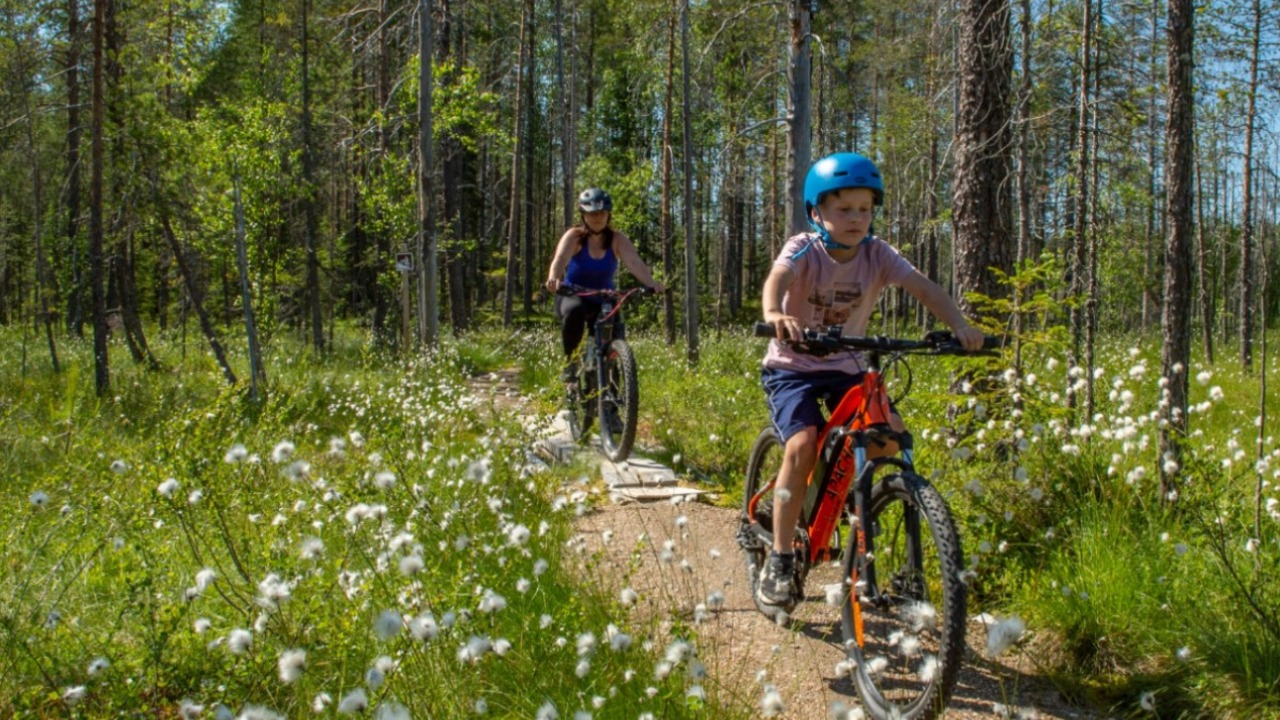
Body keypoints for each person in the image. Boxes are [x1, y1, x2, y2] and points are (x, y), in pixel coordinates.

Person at [756, 152, 984, 608]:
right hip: (793, 368)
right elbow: (778, 277)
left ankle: (860, 503)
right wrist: (775, 313)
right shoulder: (804, 246)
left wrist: (960, 323)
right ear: (817, 212)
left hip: (847, 367)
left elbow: (923, 287)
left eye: (865, 208)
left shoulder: (878, 253)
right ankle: (780, 558)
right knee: (801, 446)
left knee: (889, 438)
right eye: (844, 209)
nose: (857, 218)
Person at [544, 188, 664, 382]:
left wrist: (652, 284)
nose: (597, 217)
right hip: (573, 293)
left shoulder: (617, 239)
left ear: (608, 214)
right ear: (583, 215)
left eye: (601, 213)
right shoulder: (574, 237)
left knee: (614, 333)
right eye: (592, 214)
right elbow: (560, 259)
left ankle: (614, 398)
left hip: (602, 297)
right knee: (574, 312)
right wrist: (553, 278)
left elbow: (634, 263)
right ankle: (570, 364)